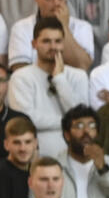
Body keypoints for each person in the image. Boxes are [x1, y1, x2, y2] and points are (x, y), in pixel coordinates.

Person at [7, 17, 90, 158]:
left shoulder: (78, 76)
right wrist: (67, 122)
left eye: (57, 41)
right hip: (34, 156)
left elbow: (82, 118)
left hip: (74, 155)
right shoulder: (20, 77)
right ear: (34, 44)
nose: (53, 47)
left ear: (63, 43)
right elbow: (25, 119)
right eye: (46, 41)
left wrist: (60, 79)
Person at [7, 0, 95, 72]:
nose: (56, 3)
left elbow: (82, 66)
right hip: (33, 86)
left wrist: (64, 26)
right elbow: (20, 71)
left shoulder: (82, 27)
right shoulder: (21, 27)